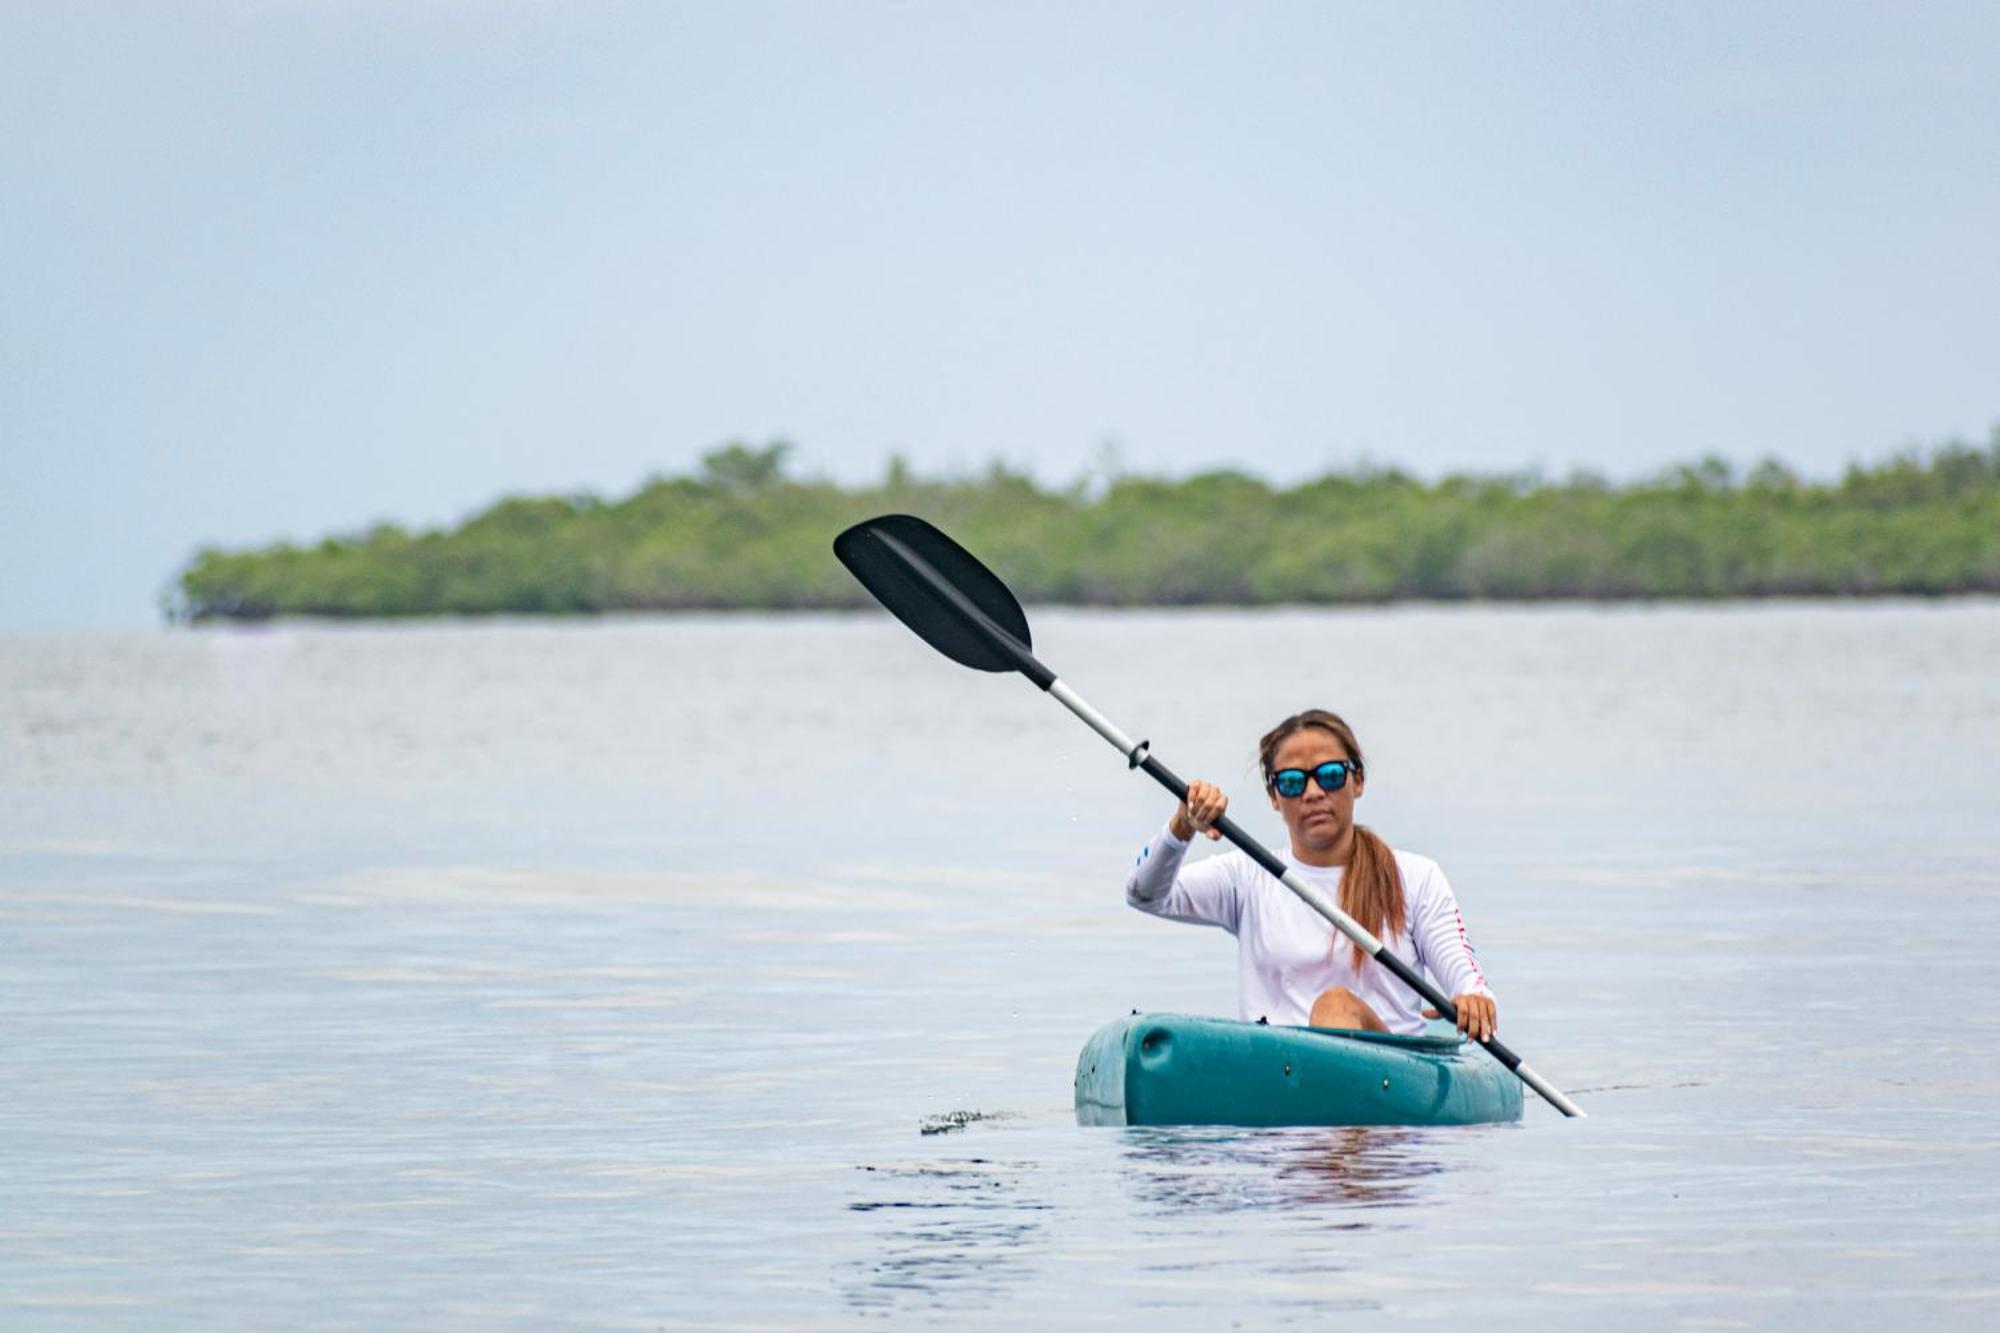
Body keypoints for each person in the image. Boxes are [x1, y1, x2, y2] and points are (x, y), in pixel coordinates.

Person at [1123, 708, 1498, 1042]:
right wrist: (1182, 826)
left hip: (1392, 1077)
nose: (1314, 792)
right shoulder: (1247, 876)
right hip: (1277, 1073)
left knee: (1335, 1005)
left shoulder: (1414, 877)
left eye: (1331, 776)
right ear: (1274, 797)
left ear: (1358, 781)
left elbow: (1467, 979)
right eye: (1292, 782)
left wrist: (1472, 999)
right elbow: (1145, 895)